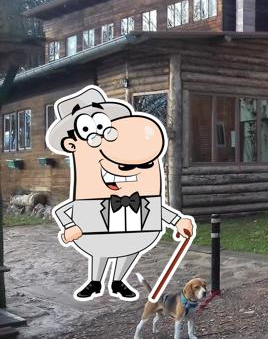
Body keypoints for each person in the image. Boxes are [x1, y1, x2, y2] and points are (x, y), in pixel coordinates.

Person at [47, 85, 195, 301]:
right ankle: (95, 281)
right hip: (97, 232)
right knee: (100, 250)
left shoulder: (132, 160)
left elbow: (158, 210)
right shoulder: (89, 188)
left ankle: (118, 281)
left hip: (136, 233)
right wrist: (71, 226)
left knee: (128, 249)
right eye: (92, 133)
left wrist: (178, 221)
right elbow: (64, 211)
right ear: (72, 144)